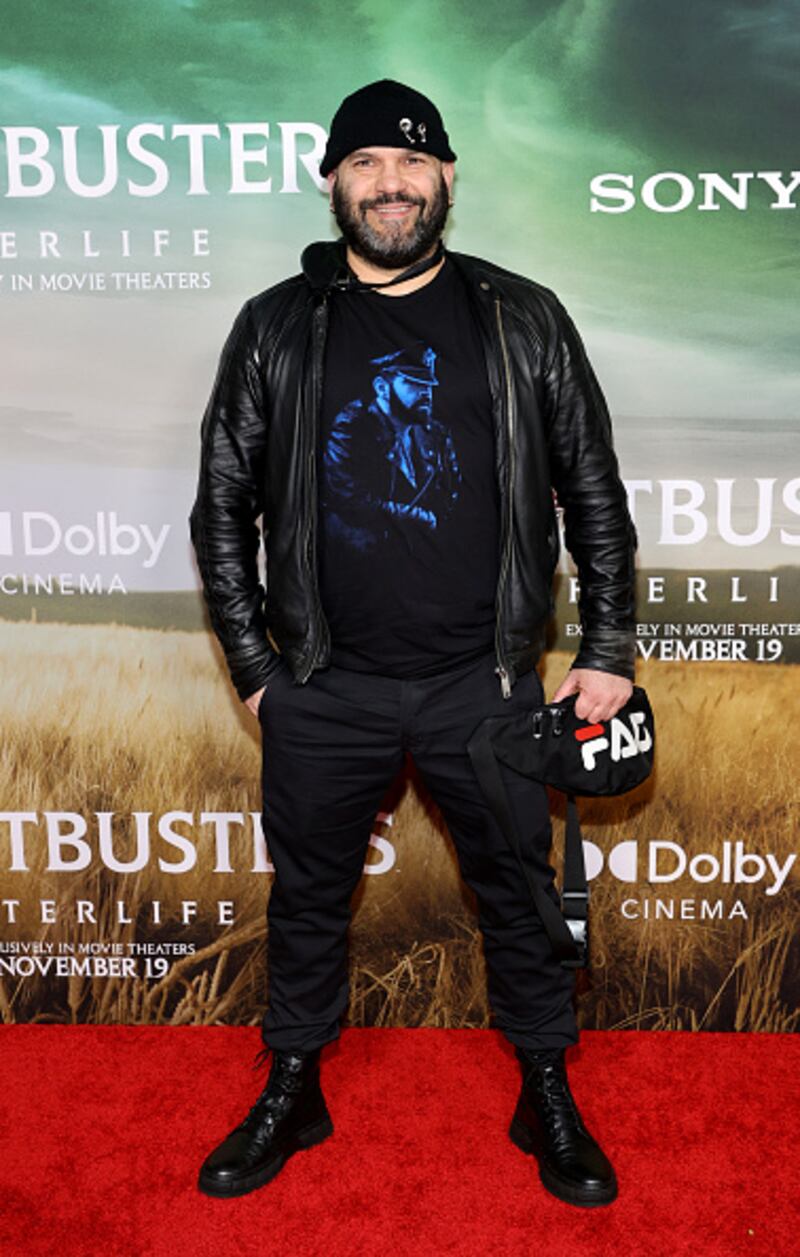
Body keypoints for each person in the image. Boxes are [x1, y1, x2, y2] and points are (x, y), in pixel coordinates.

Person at [189, 79, 637, 1209]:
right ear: (332, 183)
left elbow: (590, 484)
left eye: (411, 162)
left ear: (444, 178)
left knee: (518, 896)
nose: (390, 184)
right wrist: (257, 671)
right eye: (366, 164)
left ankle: (545, 1089)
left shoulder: (521, 315)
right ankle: (294, 1085)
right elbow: (222, 502)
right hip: (324, 685)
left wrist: (607, 646)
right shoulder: (275, 324)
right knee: (307, 898)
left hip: (482, 682)